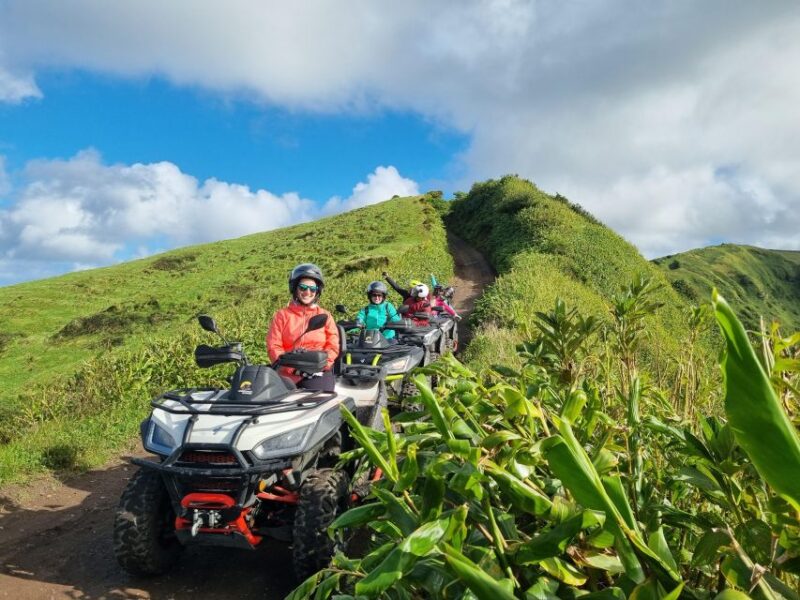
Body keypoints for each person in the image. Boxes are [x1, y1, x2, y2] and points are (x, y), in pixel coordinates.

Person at [267, 263, 340, 391]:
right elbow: (274, 346)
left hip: (317, 373)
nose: (307, 292)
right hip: (287, 373)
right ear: (295, 288)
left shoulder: (325, 315)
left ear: (317, 291)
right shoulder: (282, 315)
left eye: (312, 289)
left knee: (322, 402)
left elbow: (333, 346)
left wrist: (320, 366)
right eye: (303, 287)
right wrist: (293, 369)